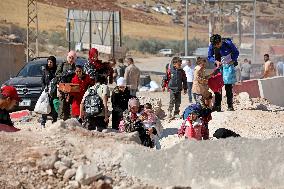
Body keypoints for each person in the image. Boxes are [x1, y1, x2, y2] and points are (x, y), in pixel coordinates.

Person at [208, 34, 239, 111]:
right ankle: (217, 106)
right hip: (219, 66)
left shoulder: (228, 43)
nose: (217, 46)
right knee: (217, 86)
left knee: (228, 86)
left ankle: (230, 105)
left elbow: (236, 52)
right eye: (215, 45)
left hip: (228, 66)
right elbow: (209, 56)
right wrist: (215, 61)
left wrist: (233, 60)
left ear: (221, 41)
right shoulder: (212, 46)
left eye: (218, 44)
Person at [56, 50, 77, 120]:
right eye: (70, 57)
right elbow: (57, 74)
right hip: (63, 86)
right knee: (62, 104)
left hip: (72, 87)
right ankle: (61, 120)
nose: (71, 59)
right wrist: (65, 74)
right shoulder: (62, 64)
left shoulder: (75, 66)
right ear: (67, 57)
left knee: (71, 105)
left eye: (73, 58)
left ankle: (70, 120)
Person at [41, 56, 58, 128]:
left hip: (54, 92)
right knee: (45, 107)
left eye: (51, 62)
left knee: (54, 107)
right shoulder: (45, 70)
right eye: (48, 62)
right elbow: (42, 81)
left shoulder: (56, 70)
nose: (49, 63)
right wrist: (44, 88)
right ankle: (43, 122)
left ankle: (54, 121)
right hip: (46, 92)